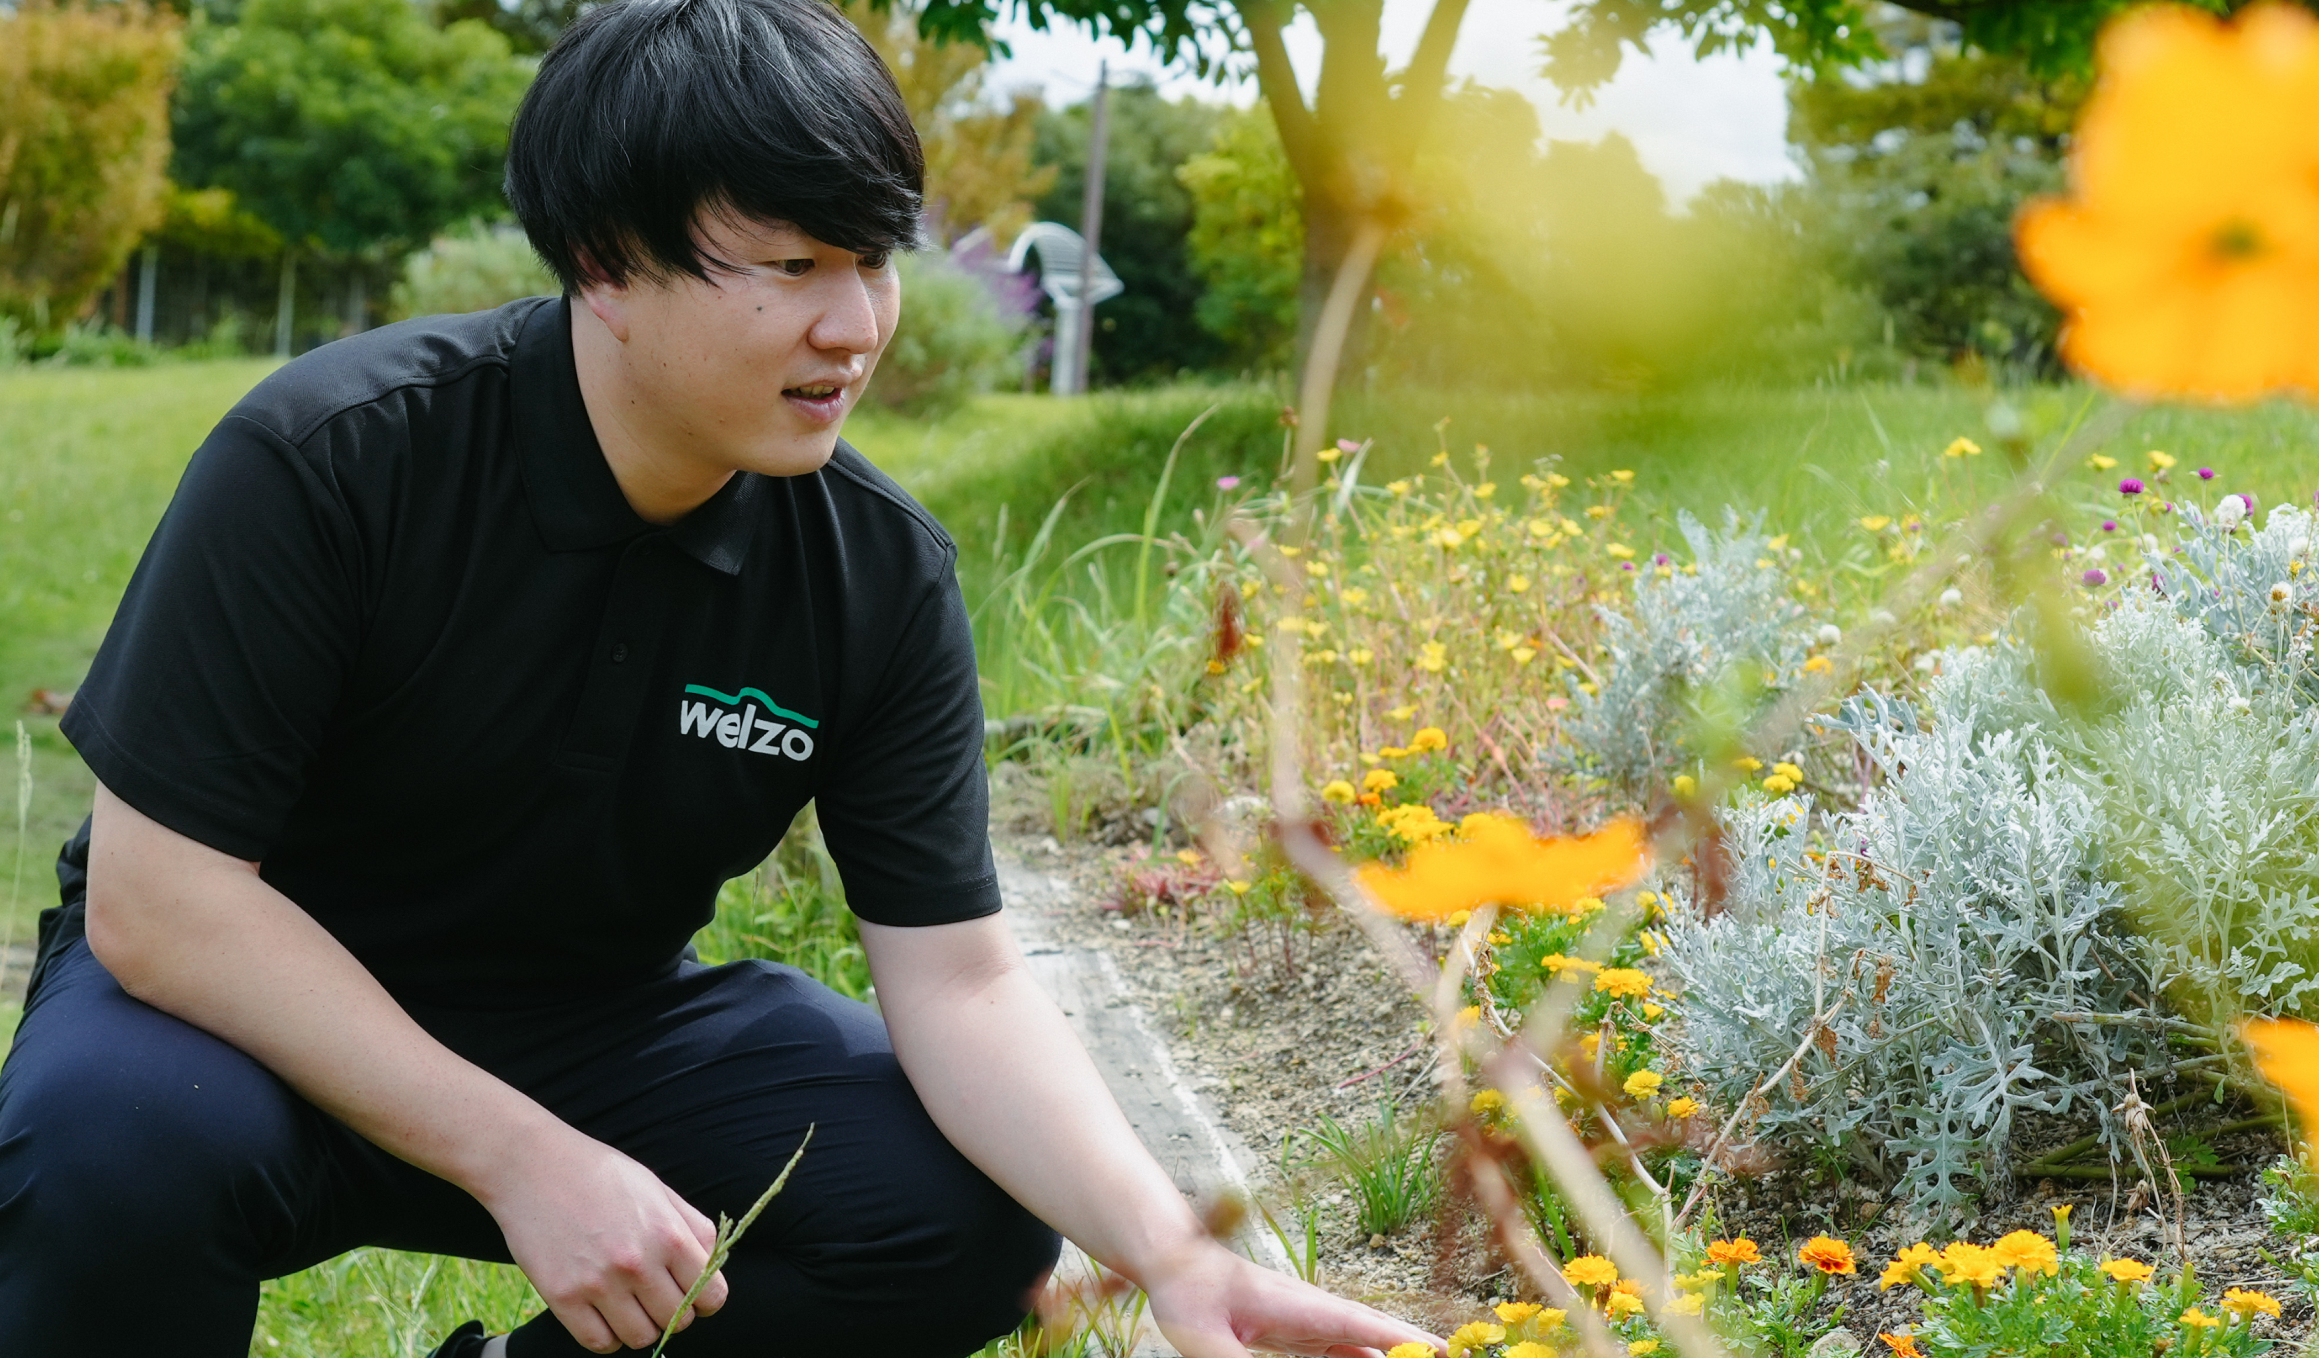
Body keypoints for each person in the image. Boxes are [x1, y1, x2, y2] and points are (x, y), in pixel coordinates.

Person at [0, 1, 1442, 1353]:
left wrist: (1175, 1254)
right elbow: (161, 902)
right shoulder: (334, 460)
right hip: (244, 1019)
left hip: (599, 1023)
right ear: (607, 264)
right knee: (113, 1148)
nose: (858, 325)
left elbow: (962, 977)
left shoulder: (874, 574)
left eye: (873, 259)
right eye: (795, 267)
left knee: (966, 1219)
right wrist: (524, 1158)